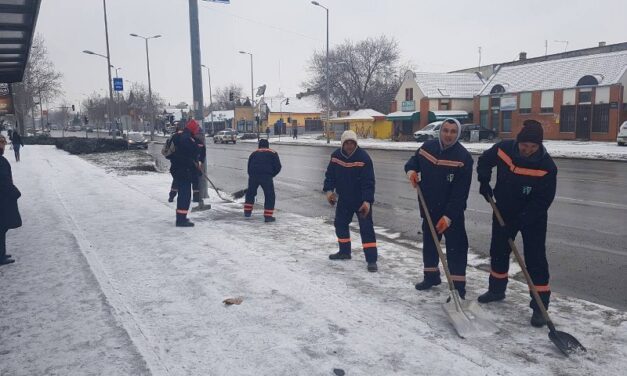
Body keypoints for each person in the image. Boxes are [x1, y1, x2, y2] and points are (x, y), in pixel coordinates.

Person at [476, 119, 557, 328]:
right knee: (499, 251)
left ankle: (540, 306)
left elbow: (543, 200)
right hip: (504, 210)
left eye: (533, 147)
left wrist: (524, 218)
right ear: (518, 141)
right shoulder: (504, 149)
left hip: (534, 218)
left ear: (539, 146)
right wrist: (484, 181)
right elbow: (485, 160)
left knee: (536, 259)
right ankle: (496, 289)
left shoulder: (547, 166)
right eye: (524, 145)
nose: (528, 150)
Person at [404, 118, 473, 298]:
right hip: (429, 207)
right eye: (445, 130)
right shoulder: (427, 147)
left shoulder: (463, 157)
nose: (448, 135)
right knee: (430, 244)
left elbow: (461, 193)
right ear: (440, 131)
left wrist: (449, 216)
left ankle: (458, 289)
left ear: (457, 134)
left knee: (456, 250)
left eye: (452, 132)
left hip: (452, 214)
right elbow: (412, 163)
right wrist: (411, 172)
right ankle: (431, 276)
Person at [323, 130, 378, 272]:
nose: (349, 146)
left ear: (356, 143)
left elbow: (368, 182)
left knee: (366, 229)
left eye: (352, 143)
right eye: (346, 143)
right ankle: (344, 252)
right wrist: (329, 191)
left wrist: (367, 201)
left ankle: (371, 260)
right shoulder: (336, 156)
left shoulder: (364, 158)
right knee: (340, 224)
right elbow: (330, 175)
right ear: (342, 143)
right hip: (344, 199)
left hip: (361, 201)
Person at [169, 119, 201, 227]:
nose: (197, 131)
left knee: (184, 195)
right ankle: (181, 220)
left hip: (181, 170)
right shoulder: (186, 139)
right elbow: (189, 155)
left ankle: (182, 218)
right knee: (184, 195)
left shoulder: (185, 137)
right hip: (184, 171)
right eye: (196, 129)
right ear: (193, 129)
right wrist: (193, 164)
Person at [244, 138, 282, 222]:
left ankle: (247, 212)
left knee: (250, 193)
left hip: (253, 176)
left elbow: (249, 166)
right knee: (269, 195)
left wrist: (251, 175)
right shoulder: (273, 153)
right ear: (268, 145)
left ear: (259, 145)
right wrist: (271, 174)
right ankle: (268, 216)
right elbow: (278, 167)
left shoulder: (254, 153)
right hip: (266, 176)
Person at [0, 135, 21, 265]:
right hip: (3, 199)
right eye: (1, 143)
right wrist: (15, 193)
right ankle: (1, 256)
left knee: (2, 228)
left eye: (3, 143)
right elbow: (3, 181)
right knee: (1, 228)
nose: (3, 145)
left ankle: (1, 253)